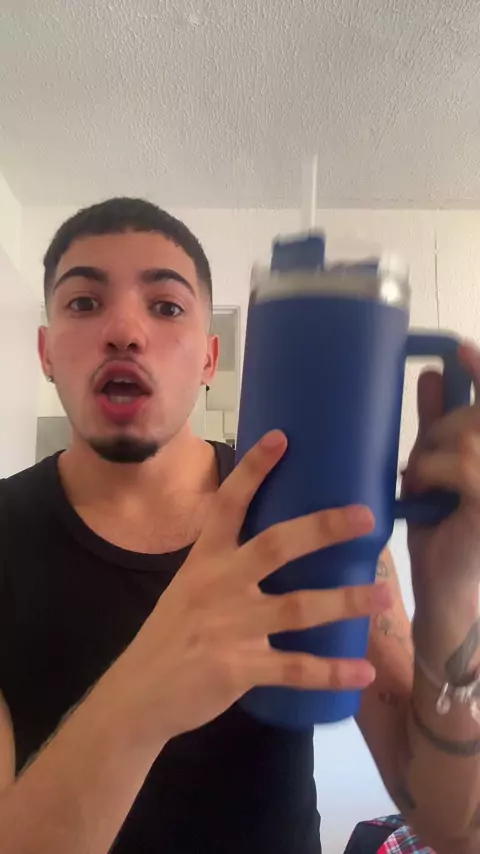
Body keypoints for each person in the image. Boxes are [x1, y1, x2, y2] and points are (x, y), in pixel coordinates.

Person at [0, 197, 478, 854]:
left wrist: (452, 590)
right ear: (46, 351)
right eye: (84, 303)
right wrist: (144, 693)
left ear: (209, 358)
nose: (125, 331)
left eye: (166, 306)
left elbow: (455, 829)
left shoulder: (303, 510)